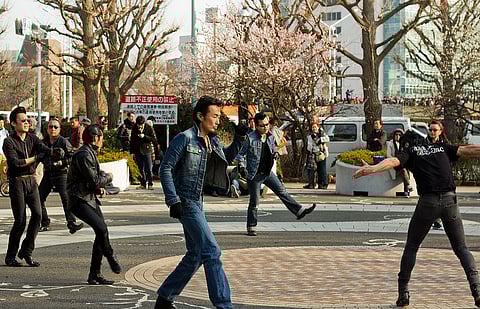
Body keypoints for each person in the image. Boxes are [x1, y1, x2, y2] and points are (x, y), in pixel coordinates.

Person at [353, 129, 480, 308]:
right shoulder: (441, 147)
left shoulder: (410, 152)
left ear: (406, 144)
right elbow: (468, 150)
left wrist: (371, 169)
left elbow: (392, 161)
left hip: (428, 202)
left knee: (412, 246)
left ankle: (403, 293)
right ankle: (477, 289)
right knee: (461, 248)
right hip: (450, 200)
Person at [156, 95, 246, 309]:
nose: (217, 121)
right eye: (214, 116)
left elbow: (225, 159)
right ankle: (224, 305)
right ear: (200, 116)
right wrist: (173, 200)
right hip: (185, 201)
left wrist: (239, 138)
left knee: (196, 254)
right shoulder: (184, 138)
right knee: (211, 251)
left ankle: (165, 298)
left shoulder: (211, 140)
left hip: (198, 201)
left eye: (218, 117)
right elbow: (165, 168)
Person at [236, 112, 316, 236]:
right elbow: (240, 155)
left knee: (282, 191)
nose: (265, 127)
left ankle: (299, 211)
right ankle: (251, 226)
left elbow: (273, 148)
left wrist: (275, 153)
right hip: (254, 174)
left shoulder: (270, 136)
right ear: (256, 126)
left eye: (267, 124)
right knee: (254, 201)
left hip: (267, 172)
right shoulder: (250, 138)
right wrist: (242, 167)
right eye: (262, 125)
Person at [67, 124, 122, 285]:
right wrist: (109, 177)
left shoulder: (89, 153)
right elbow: (95, 180)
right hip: (79, 199)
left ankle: (95, 273)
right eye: (102, 137)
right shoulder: (84, 154)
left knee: (101, 232)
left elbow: (95, 178)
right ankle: (111, 256)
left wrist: (101, 184)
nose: (102, 140)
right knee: (101, 228)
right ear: (96, 138)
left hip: (88, 197)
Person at [3, 106, 50, 267]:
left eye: (28, 120)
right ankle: (10, 256)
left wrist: (57, 151)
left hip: (31, 180)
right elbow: (15, 163)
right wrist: (35, 158)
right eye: (22, 120)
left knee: (38, 215)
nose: (27, 123)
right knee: (20, 220)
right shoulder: (8, 141)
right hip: (17, 181)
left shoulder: (32, 139)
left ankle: (26, 251)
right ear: (14, 123)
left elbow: (45, 150)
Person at [38, 118, 83, 234]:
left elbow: (71, 156)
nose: (52, 129)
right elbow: (39, 155)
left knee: (66, 199)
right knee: (38, 197)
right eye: (50, 127)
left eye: (55, 127)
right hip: (48, 173)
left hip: (61, 174)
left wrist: (61, 162)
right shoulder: (43, 142)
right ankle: (44, 222)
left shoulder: (63, 142)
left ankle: (71, 223)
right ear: (47, 129)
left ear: (60, 129)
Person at [428, 120, 449, 229]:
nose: (432, 132)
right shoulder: (424, 144)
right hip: (429, 177)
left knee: (443, 200)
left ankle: (439, 219)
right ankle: (435, 219)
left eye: (435, 130)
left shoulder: (444, 145)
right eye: (430, 130)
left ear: (440, 131)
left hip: (442, 178)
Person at [130, 115, 158, 190]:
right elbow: (132, 140)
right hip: (137, 150)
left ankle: (150, 183)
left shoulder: (148, 127)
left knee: (148, 168)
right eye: (138, 125)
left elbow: (154, 139)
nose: (139, 126)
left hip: (147, 150)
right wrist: (132, 152)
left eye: (141, 125)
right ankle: (142, 183)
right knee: (140, 168)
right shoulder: (134, 128)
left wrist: (144, 136)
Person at [303, 120, 330, 189]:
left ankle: (323, 184)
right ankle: (312, 184)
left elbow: (327, 139)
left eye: (315, 127)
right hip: (313, 154)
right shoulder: (310, 136)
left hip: (321, 154)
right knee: (312, 170)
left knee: (322, 170)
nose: (314, 128)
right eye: (313, 127)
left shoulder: (322, 134)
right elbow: (309, 146)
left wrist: (320, 140)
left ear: (318, 127)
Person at [386, 128, 412, 197]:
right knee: (404, 170)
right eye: (396, 135)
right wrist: (395, 160)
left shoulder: (404, 144)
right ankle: (408, 187)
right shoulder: (390, 144)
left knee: (405, 170)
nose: (397, 136)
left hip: (402, 164)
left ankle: (406, 191)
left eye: (399, 135)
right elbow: (388, 155)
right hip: (394, 164)